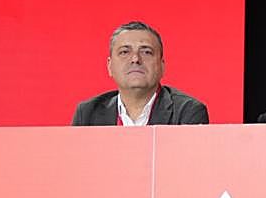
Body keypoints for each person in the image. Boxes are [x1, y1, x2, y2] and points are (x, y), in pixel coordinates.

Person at [72, 21, 208, 125]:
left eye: (146, 52)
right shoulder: (88, 113)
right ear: (110, 66)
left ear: (162, 66)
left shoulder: (187, 111)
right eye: (125, 52)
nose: (135, 59)